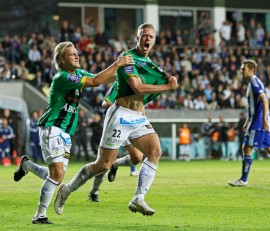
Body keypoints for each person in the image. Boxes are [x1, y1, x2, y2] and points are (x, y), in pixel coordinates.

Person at [54, 23, 178, 216]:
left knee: (154, 151)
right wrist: (167, 88)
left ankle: (138, 198)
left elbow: (150, 86)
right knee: (102, 165)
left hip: (138, 117)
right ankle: (66, 189)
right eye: (144, 35)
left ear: (154, 40)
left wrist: (167, 82)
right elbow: (136, 87)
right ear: (137, 37)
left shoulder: (150, 65)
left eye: (151, 37)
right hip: (120, 115)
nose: (147, 39)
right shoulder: (128, 59)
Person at [13, 41, 134, 224]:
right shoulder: (62, 77)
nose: (77, 56)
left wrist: (121, 74)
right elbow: (96, 81)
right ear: (62, 60)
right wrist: (118, 64)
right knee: (57, 174)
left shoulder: (78, 73)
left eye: (77, 53)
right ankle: (40, 216)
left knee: (57, 174)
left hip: (66, 131)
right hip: (52, 127)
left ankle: (27, 166)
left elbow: (99, 78)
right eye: (72, 54)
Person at [228, 60, 270, 187]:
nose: (241, 70)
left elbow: (265, 101)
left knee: (246, 147)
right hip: (258, 122)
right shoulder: (252, 83)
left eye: (244, 68)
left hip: (257, 123)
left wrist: (262, 120)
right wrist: (247, 121)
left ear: (251, 70)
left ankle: (243, 179)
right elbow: (253, 107)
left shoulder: (254, 83)